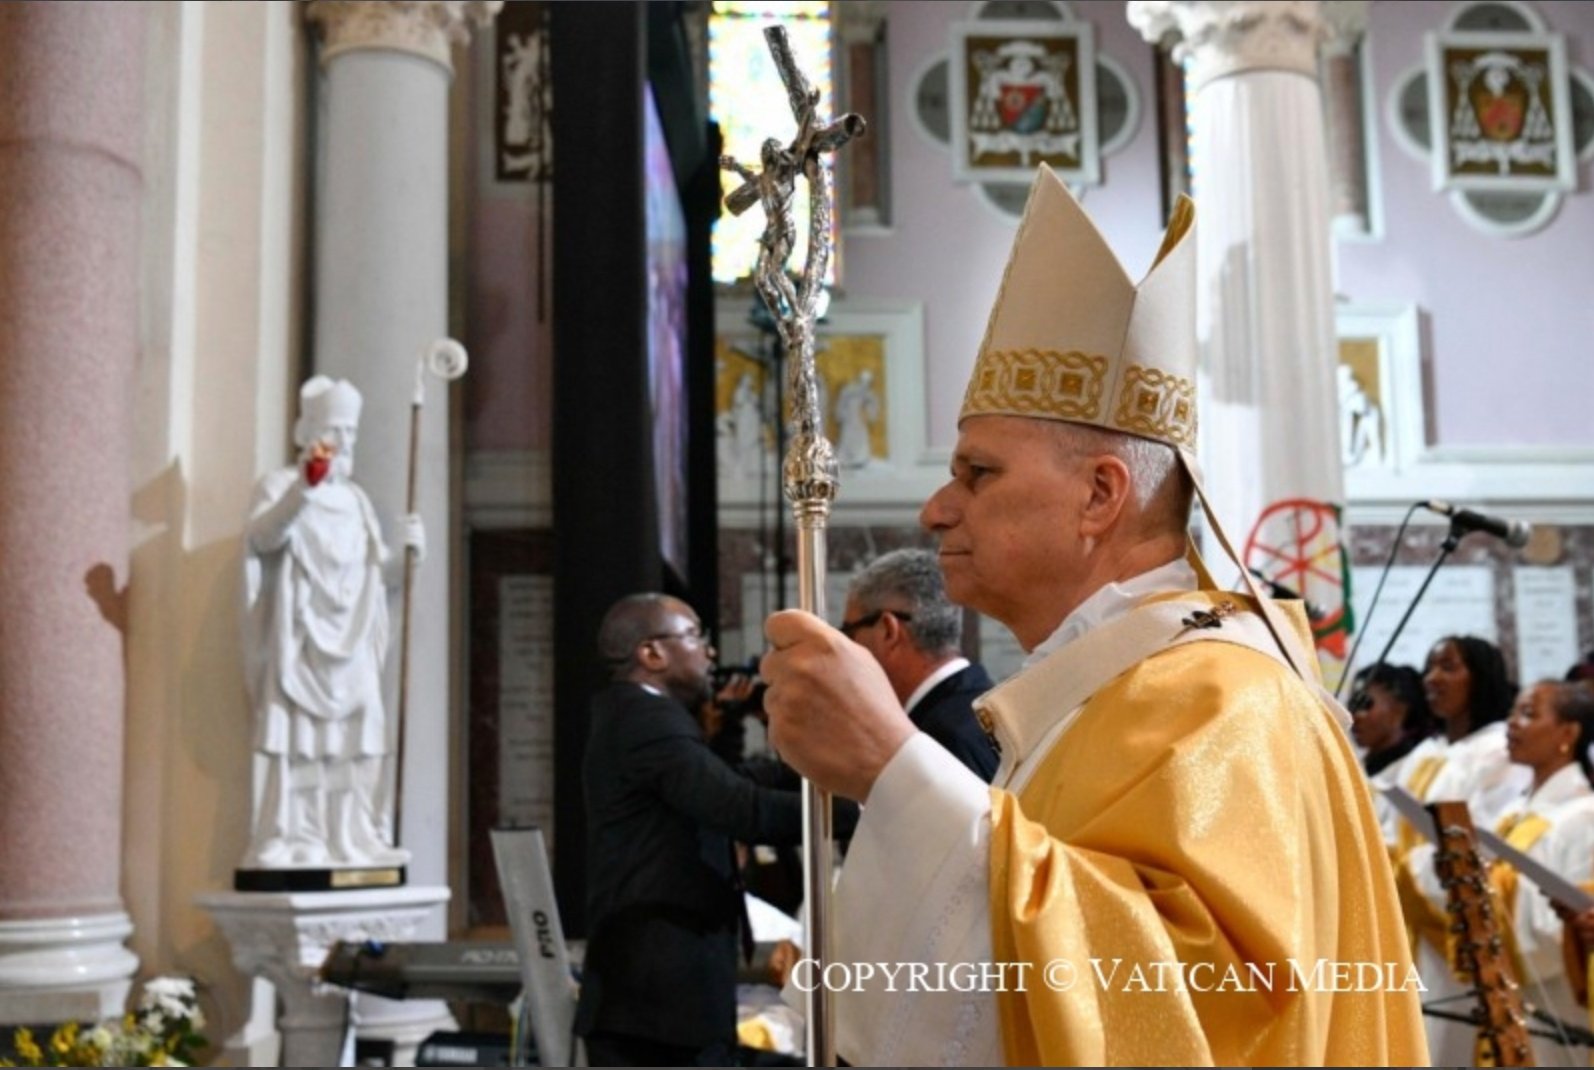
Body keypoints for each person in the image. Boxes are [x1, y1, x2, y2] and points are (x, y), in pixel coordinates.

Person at [757, 165, 1426, 1065]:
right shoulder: (1119, 691)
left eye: (978, 473)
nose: (936, 509)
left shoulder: (1221, 702)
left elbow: (1195, 1009)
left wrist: (893, 765)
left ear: (1100, 496)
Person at [575, 593, 853, 1067]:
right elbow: (739, 808)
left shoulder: (636, 717)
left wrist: (803, 758)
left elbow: (728, 782)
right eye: (694, 635)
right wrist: (858, 808)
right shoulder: (646, 720)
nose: (709, 651)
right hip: (658, 1002)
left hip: (659, 1000)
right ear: (651, 653)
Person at [240, 376, 422, 870]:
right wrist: (304, 489)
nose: (343, 441)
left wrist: (406, 556)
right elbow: (262, 538)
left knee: (357, 740)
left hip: (353, 641)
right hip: (301, 642)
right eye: (334, 429)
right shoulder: (281, 487)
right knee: (299, 742)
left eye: (350, 432)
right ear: (309, 430)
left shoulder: (358, 502)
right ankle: (292, 837)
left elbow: (374, 574)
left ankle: (353, 835)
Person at [1403, 681, 1594, 1066]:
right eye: (1513, 712)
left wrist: (1488, 885)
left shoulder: (1584, 815)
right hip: (1504, 1002)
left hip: (1553, 1009)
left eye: (1529, 714)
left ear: (1568, 734)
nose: (1512, 724)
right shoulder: (1515, 812)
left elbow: (1559, 924)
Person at [1385, 634, 1524, 1063]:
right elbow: (1389, 831)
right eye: (1429, 667)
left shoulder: (1500, 750)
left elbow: (1487, 840)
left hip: (1456, 924)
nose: (1432, 679)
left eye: (1448, 667)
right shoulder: (1427, 752)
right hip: (1409, 922)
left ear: (1480, 677)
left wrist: (1403, 871)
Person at [840, 548, 997, 781]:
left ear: (887, 631)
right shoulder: (988, 708)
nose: (846, 648)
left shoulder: (936, 740)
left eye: (848, 632)